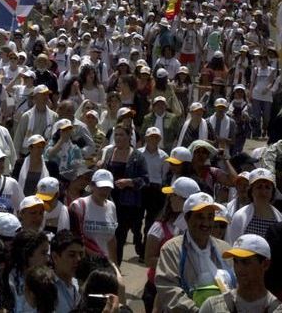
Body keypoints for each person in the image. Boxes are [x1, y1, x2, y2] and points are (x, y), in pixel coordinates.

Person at [155, 192, 234, 311]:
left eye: (210, 217)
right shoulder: (172, 249)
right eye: (200, 217)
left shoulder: (225, 249)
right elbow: (168, 288)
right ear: (187, 218)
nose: (206, 223)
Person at [142, 176, 200, 313]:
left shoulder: (198, 227)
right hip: (157, 288)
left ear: (186, 200)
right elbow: (149, 259)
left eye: (174, 195)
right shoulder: (159, 227)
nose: (170, 198)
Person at [99, 124, 148, 265]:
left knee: (119, 237)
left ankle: (116, 266)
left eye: (122, 135)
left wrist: (129, 182)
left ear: (129, 137)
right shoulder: (109, 153)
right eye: (116, 135)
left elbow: (145, 179)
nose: (118, 138)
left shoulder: (137, 157)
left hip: (127, 205)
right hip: (108, 200)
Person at [199, 234, 281, 312]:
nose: (239, 268)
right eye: (235, 261)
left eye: (245, 262)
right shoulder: (212, 307)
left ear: (265, 264)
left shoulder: (277, 309)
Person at [69, 169, 118, 263]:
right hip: (82, 263)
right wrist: (95, 255)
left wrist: (114, 265)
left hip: (104, 263)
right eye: (101, 187)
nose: (104, 191)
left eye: (107, 188)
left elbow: (111, 239)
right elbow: (73, 237)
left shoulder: (111, 206)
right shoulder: (78, 205)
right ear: (92, 186)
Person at [227, 167, 282, 242]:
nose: (263, 191)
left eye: (267, 187)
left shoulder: (279, 218)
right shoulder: (239, 216)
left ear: (272, 192)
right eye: (259, 187)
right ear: (251, 191)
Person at [8, 230, 50, 313]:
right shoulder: (10, 282)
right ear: (27, 254)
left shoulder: (47, 280)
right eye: (43, 253)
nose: (47, 259)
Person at [50, 230, 84, 313]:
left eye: (81, 254)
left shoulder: (77, 285)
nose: (78, 259)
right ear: (55, 257)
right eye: (72, 255)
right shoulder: (47, 286)